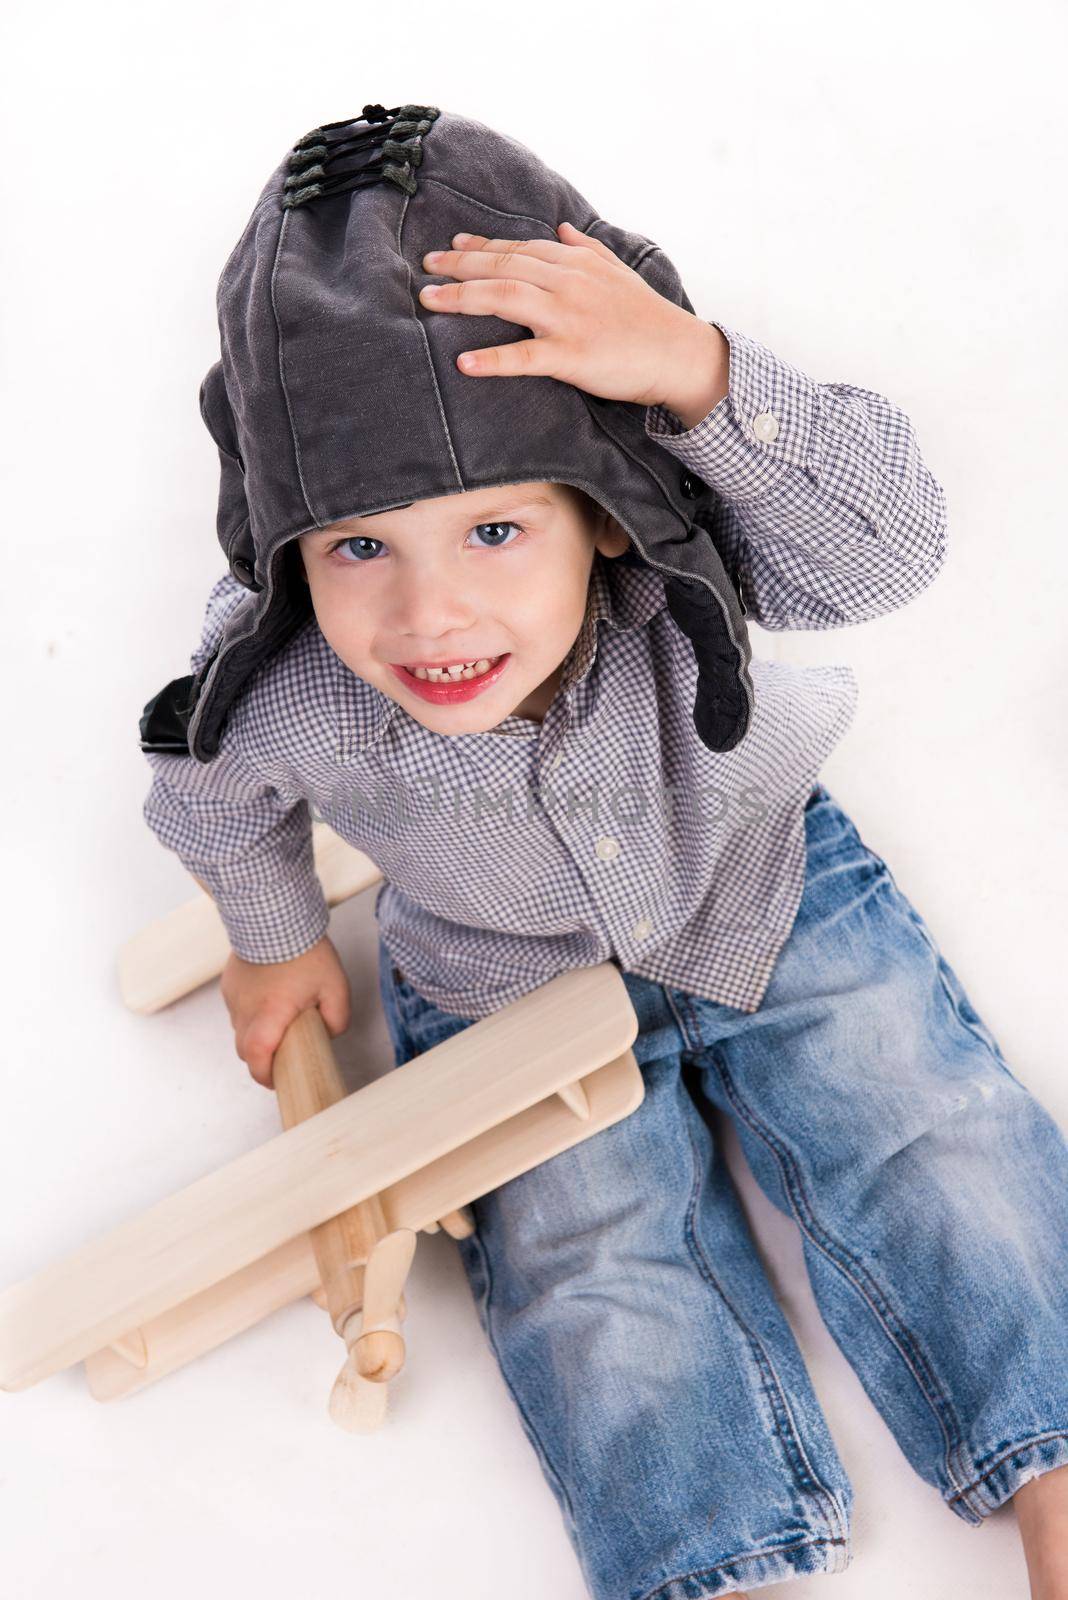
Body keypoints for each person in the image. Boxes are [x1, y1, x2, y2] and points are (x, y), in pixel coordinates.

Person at [138, 103, 1068, 1599]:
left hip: (766, 882)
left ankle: (1061, 1467)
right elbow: (204, 790)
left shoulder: (663, 548)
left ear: (600, 517)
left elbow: (891, 549)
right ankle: (716, 1558)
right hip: (496, 975)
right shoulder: (292, 682)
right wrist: (275, 935)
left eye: (496, 533)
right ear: (288, 552)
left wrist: (699, 376)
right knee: (593, 1276)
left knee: (930, 1134)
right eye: (360, 548)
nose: (432, 620)